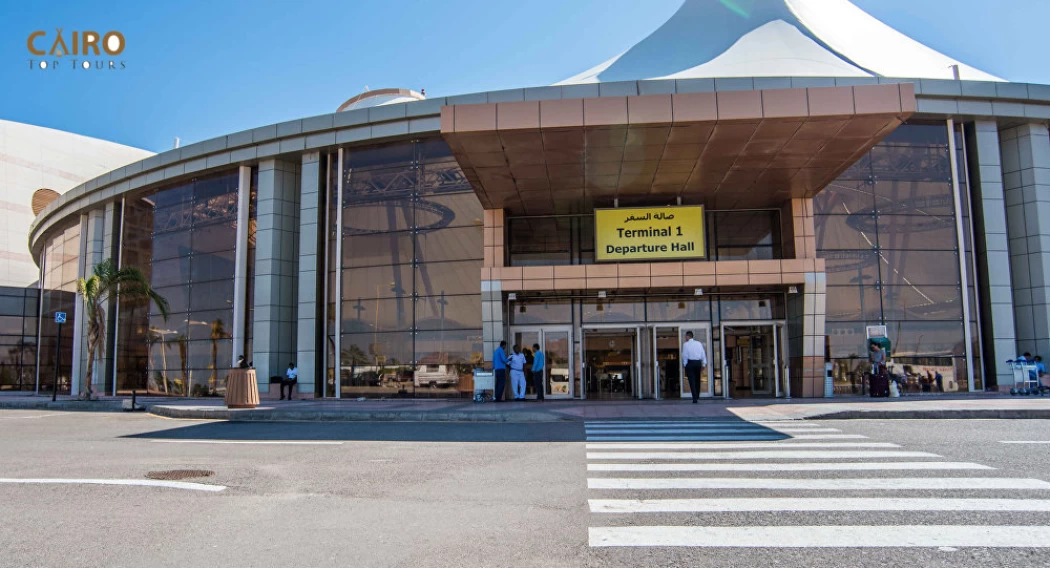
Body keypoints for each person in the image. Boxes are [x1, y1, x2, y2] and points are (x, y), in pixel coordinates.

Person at [681, 331, 707, 404]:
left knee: (691, 381)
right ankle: (697, 395)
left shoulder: (685, 345)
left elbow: (685, 355)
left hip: (690, 363)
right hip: (698, 363)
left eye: (686, 336)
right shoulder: (698, 343)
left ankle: (694, 397)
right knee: (697, 380)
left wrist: (685, 364)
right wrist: (704, 364)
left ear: (688, 336)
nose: (685, 338)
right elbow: (703, 353)